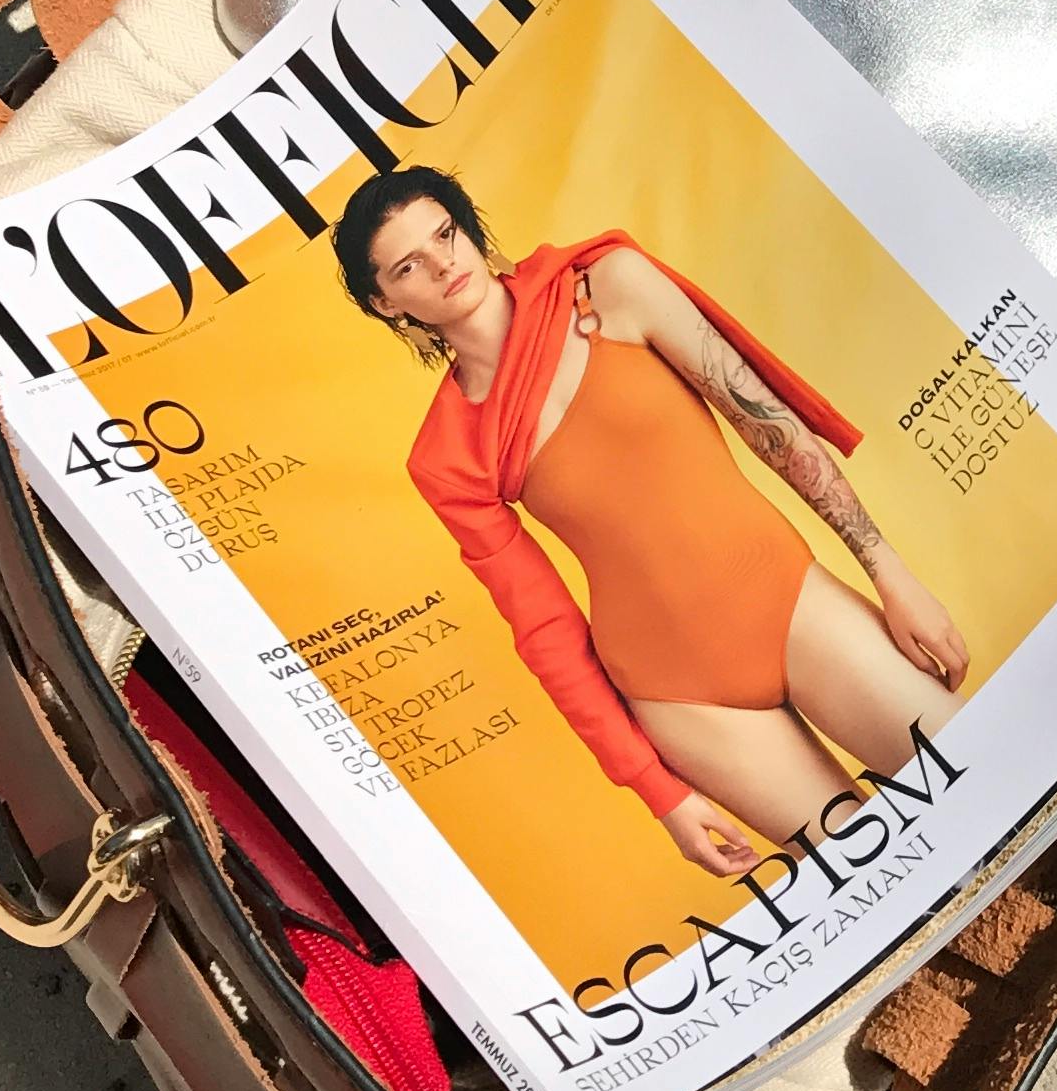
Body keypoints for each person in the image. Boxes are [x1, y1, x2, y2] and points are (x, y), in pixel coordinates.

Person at [334, 165, 968, 884]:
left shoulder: (609, 286)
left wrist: (888, 570)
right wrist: (656, 791)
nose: (445, 263)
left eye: (445, 233)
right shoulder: (445, 458)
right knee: (882, 886)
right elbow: (544, 630)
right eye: (409, 265)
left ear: (467, 228)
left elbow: (770, 427)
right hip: (681, 697)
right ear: (386, 303)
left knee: (984, 781)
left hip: (789, 604)